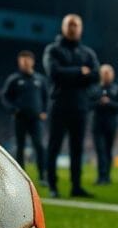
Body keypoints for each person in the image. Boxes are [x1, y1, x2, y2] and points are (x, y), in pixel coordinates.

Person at [43, 14, 100, 198]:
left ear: (81, 28)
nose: (73, 28)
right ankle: (52, 185)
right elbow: (54, 73)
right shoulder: (53, 49)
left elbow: (96, 75)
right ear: (63, 27)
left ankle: (76, 186)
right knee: (54, 146)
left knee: (77, 148)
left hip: (81, 106)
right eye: (70, 24)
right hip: (59, 104)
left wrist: (71, 74)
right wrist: (80, 72)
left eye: (76, 25)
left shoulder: (88, 53)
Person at [1, 50, 49, 183]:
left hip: (36, 119)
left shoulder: (40, 79)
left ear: (32, 62)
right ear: (19, 62)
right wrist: (13, 110)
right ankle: (20, 176)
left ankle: (42, 176)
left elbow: (46, 97)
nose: (25, 63)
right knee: (20, 146)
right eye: (22, 61)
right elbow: (5, 97)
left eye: (27, 60)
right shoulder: (14, 79)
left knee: (39, 146)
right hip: (20, 118)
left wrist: (44, 111)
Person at [90, 64, 118, 185]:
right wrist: (99, 103)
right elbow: (88, 104)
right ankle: (101, 176)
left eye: (109, 72)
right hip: (97, 124)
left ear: (113, 74)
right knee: (100, 150)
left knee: (108, 150)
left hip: (112, 124)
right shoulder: (94, 89)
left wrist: (109, 103)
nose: (106, 74)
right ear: (101, 74)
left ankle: (107, 176)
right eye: (104, 72)